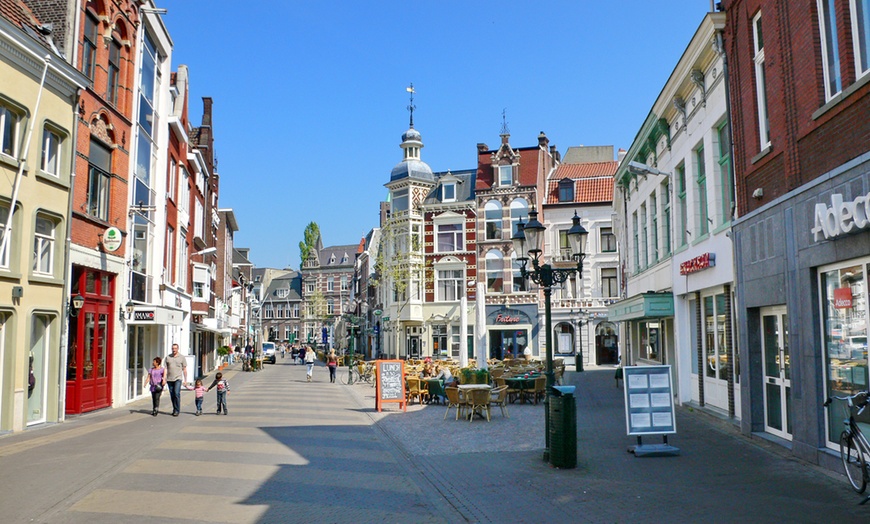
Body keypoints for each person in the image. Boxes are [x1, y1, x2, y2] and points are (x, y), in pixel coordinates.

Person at [164, 344, 187, 417]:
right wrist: (164, 378)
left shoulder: (182, 357)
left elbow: (184, 369)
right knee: (172, 395)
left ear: (178, 349)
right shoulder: (168, 357)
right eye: (173, 348)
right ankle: (174, 408)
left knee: (176, 393)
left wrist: (185, 380)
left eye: (175, 348)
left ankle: (177, 410)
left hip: (178, 378)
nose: (174, 350)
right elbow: (165, 368)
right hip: (169, 379)